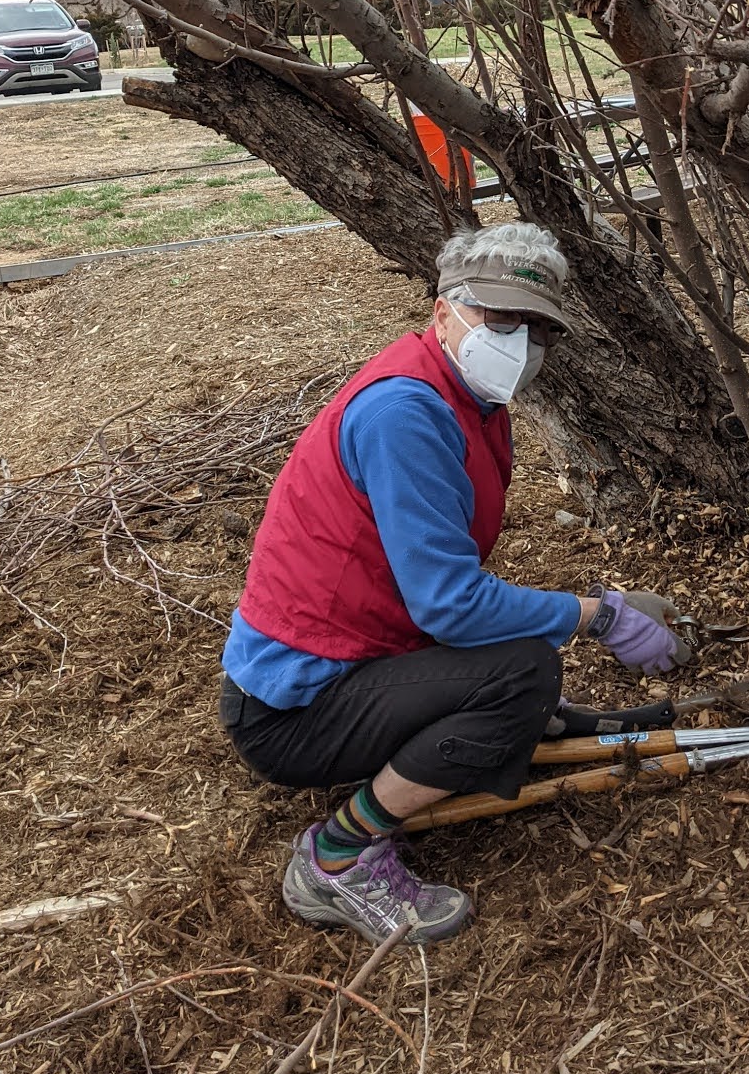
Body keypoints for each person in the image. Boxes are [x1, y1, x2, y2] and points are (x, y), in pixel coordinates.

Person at [218, 219, 685, 946]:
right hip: (290, 708)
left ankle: (498, 727)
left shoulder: (468, 399)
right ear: (444, 310)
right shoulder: (405, 411)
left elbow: (438, 583)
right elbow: (449, 603)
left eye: (536, 329)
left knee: (521, 681)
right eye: (500, 320)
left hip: (355, 659)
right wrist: (600, 615)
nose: (519, 344)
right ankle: (338, 858)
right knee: (522, 675)